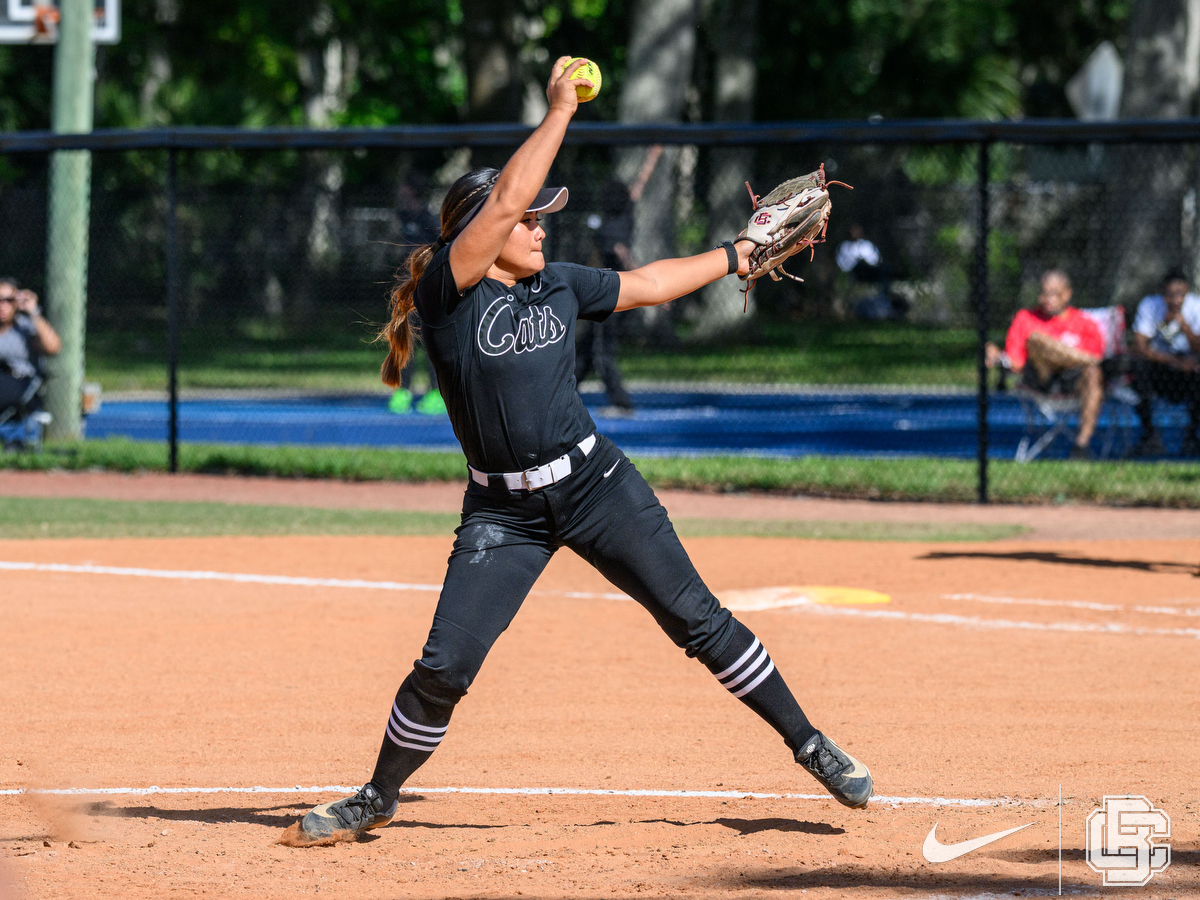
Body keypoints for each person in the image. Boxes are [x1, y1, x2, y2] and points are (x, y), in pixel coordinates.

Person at [287, 59, 872, 846]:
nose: (540, 227)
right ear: (478, 233)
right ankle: (377, 795)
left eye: (542, 218)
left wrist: (735, 255)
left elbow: (650, 282)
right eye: (530, 219)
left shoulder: (558, 284)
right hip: (503, 514)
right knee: (445, 666)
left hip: (597, 485)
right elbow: (504, 200)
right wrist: (560, 109)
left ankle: (811, 745)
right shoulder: (449, 299)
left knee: (698, 620)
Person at [985, 269, 1105, 460]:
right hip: (1041, 380)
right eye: (1043, 293)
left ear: (1067, 294)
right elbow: (1015, 361)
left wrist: (1064, 357)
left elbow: (1096, 359)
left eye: (1053, 294)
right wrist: (998, 356)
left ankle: (1081, 446)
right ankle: (1059, 354)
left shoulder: (1085, 324)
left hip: (1074, 382)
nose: (1046, 299)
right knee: (1037, 341)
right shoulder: (1025, 318)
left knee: (1093, 372)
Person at [1129, 270, 1200, 457]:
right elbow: (1140, 348)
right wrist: (1175, 362)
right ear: (1162, 292)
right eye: (1169, 295)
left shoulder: (1196, 306)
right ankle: (1149, 436)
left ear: (1187, 291)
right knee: (1138, 366)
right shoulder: (1150, 305)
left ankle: (1192, 437)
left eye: (1180, 294)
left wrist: (1185, 327)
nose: (1175, 300)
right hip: (1160, 367)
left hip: (1190, 370)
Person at [0, 278, 61, 412]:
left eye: (8, 300)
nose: (3, 305)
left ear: (16, 302)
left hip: (20, 382)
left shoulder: (26, 327)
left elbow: (53, 347)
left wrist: (33, 310)